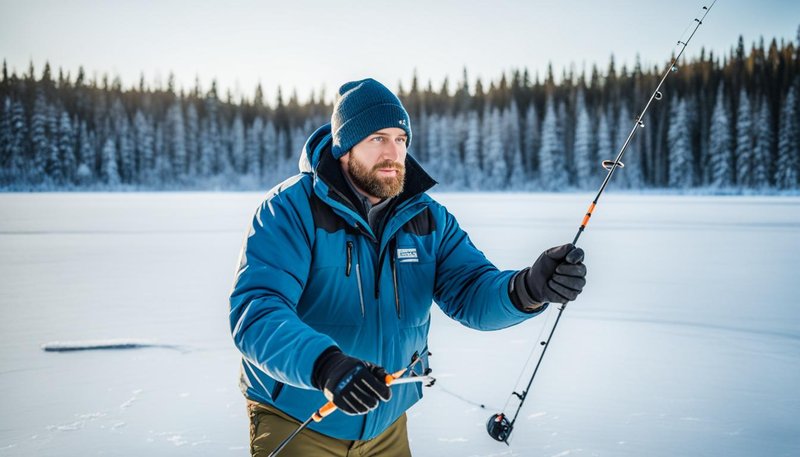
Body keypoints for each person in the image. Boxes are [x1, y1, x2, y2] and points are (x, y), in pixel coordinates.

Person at [229, 78, 587, 456]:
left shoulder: (427, 218)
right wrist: (326, 366)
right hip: (299, 417)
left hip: (386, 422)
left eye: (401, 139)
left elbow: (470, 291)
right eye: (377, 138)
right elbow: (257, 313)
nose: (393, 152)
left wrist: (528, 289)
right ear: (344, 146)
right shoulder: (291, 209)